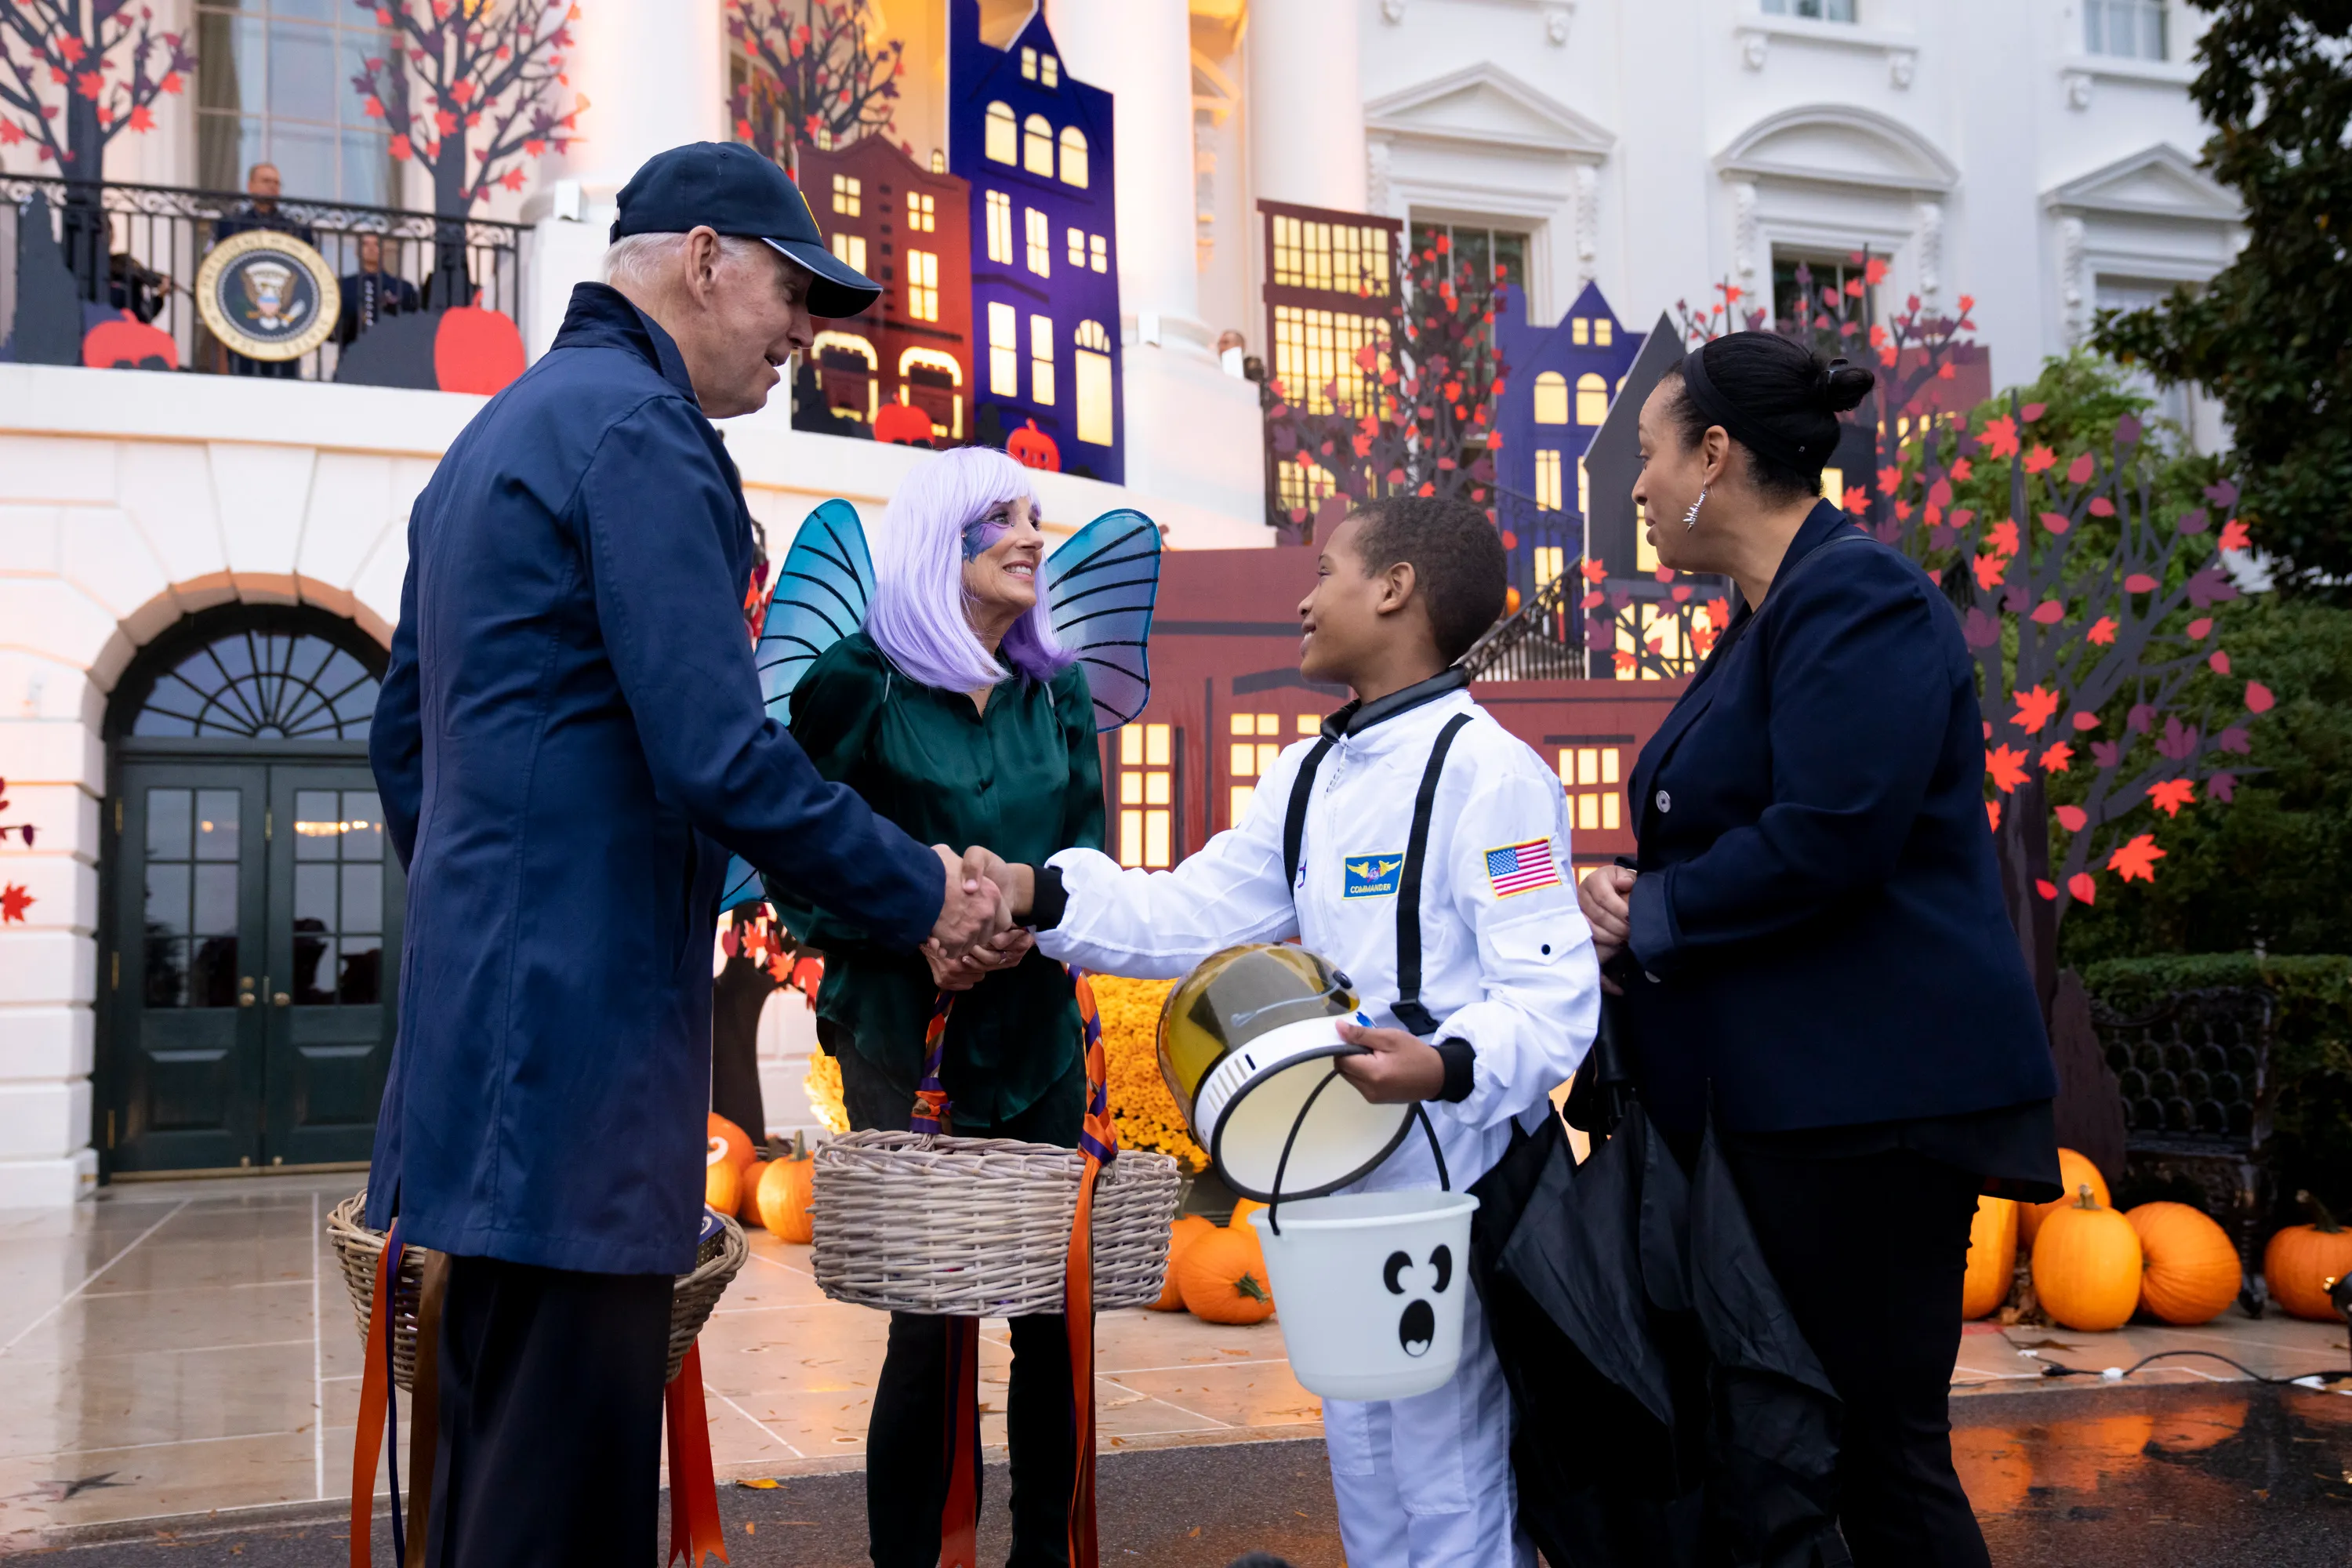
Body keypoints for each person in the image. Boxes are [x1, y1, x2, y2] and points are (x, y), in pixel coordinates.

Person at [365, 141, 1010, 1568]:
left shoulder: (493, 438)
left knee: (489, 1460)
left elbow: (402, 746)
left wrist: (503, 917)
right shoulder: (645, 439)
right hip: (586, 1065)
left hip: (479, 1048)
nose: (806, 336)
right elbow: (718, 756)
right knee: (565, 1499)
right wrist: (924, 894)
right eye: (796, 293)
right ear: (706, 256)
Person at [980, 495, 1599, 1568]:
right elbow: (1194, 910)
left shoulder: (1493, 777)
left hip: (1445, 1184)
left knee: (1448, 1476)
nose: (1304, 600)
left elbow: (1550, 993)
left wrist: (1444, 1064)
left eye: (1326, 571)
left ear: (1396, 589)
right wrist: (1040, 896)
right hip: (1328, 1182)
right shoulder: (1314, 775)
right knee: (1364, 1460)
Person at [1574, 331, 2061, 1568]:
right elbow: (1751, 830)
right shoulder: (1767, 616)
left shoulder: (1860, 596)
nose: (1634, 488)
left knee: (1880, 1456)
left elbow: (1833, 833)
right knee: (1792, 1450)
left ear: (1716, 456)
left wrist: (1660, 913)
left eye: (1647, 456)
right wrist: (1641, 895)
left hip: (1870, 1113)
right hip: (1791, 1108)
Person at [769, 445, 1105, 1568]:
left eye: (1033, 516)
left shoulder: (1057, 687)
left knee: (1053, 1319)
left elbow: (1086, 855)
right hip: (904, 1045)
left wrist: (1028, 923)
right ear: (937, 540)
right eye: (998, 518)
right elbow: (793, 863)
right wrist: (914, 927)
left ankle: (1041, 1558)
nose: (1028, 535)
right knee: (933, 1322)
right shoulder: (853, 681)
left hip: (1038, 1038)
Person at [210, 163, 316, 379]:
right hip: (241, 317)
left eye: (276, 183)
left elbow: (308, 270)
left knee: (285, 379)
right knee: (244, 376)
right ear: (250, 186)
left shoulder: (294, 229)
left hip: (284, 322)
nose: (272, 187)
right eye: (266, 181)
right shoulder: (230, 225)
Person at [333, 232, 420, 346]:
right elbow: (333, 327)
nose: (371, 249)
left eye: (376, 244)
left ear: (384, 250)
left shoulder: (403, 287)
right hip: (352, 352)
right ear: (356, 251)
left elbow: (413, 326)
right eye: (365, 244)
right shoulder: (342, 286)